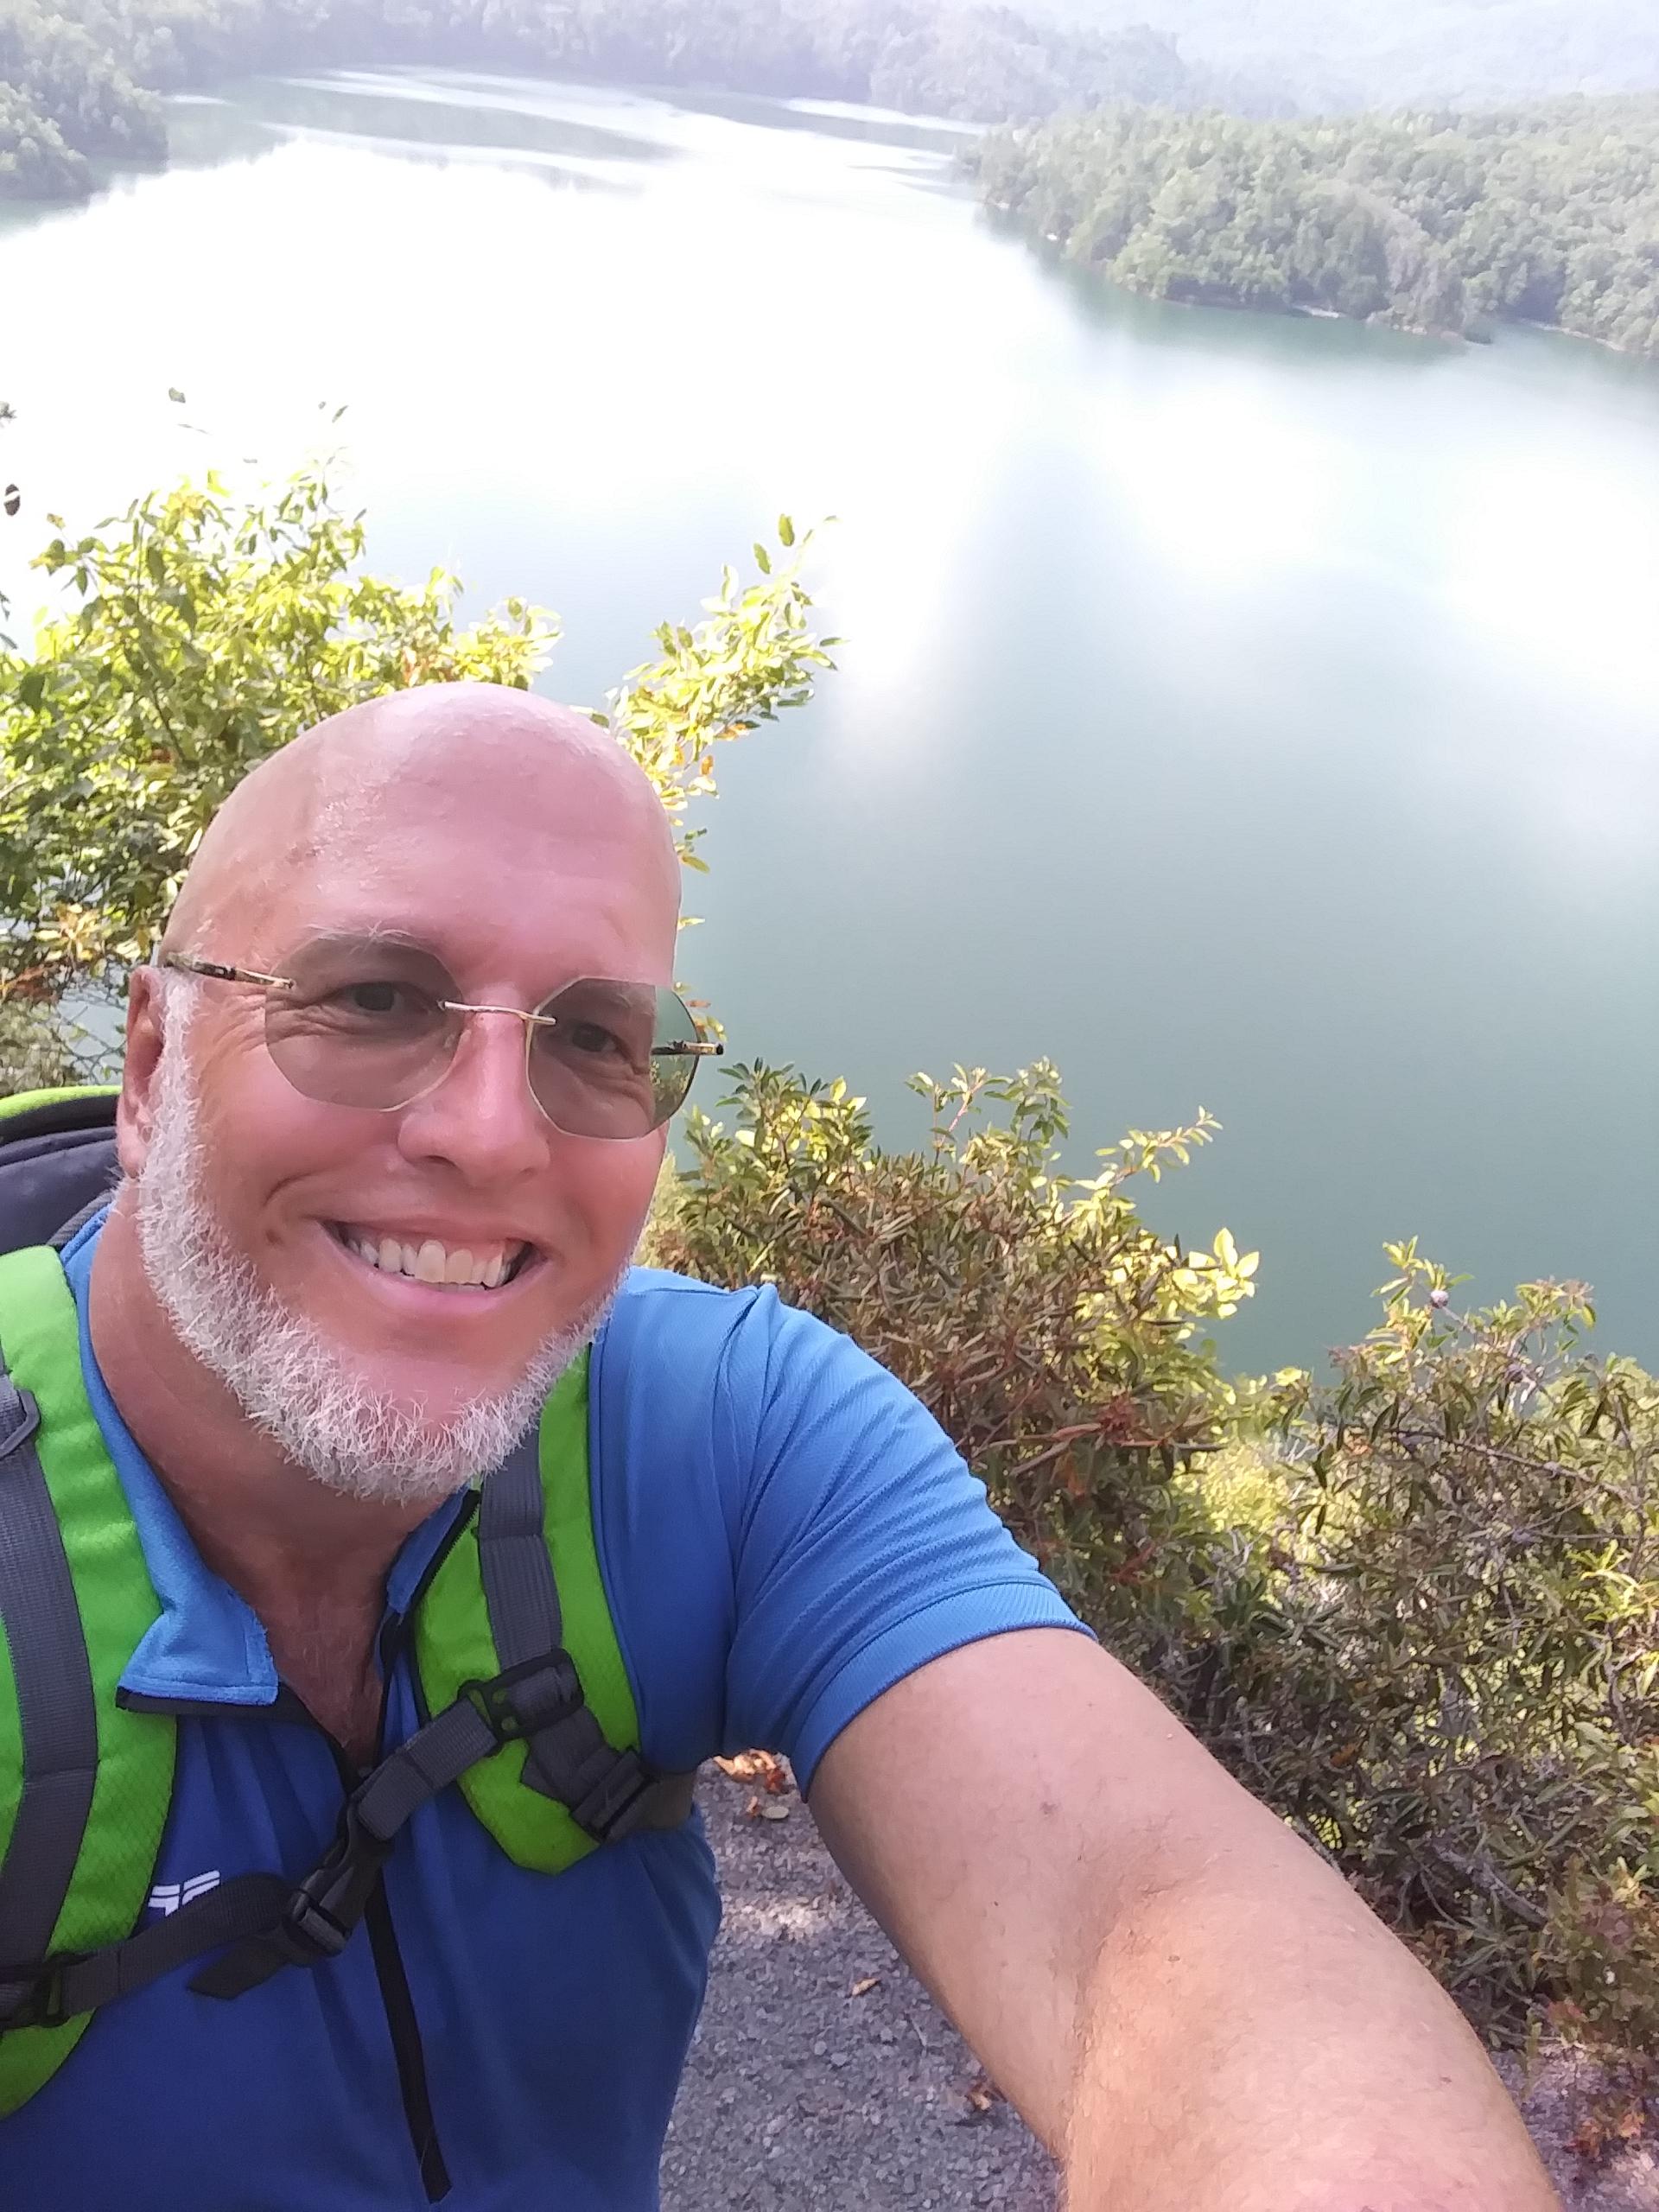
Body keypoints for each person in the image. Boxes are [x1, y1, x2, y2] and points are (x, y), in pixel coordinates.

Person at [0, 683, 1557, 2210]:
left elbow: (1150, 1915)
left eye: (597, 1039)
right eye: (371, 999)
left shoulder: (723, 1432)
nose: (489, 1132)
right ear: (148, 1063)